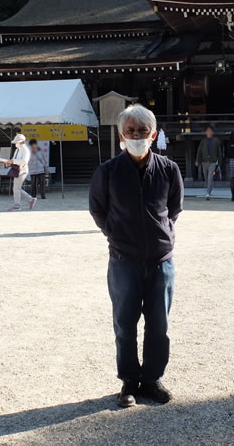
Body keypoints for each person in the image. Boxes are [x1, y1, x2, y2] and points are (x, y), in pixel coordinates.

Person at [88, 104, 183, 409]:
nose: (137, 136)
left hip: (160, 260)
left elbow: (174, 208)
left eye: (143, 131)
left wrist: (160, 234)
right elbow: (98, 210)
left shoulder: (169, 169)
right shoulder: (108, 171)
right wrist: (115, 235)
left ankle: (152, 379)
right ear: (121, 135)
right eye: (131, 131)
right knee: (124, 323)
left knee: (159, 324)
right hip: (123, 260)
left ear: (153, 134)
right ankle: (129, 380)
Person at [5, 134, 36, 211]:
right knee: (17, 188)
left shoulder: (25, 150)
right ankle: (30, 200)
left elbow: (24, 161)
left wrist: (12, 161)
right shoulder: (17, 149)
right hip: (18, 169)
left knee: (16, 188)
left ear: (20, 142)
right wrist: (9, 162)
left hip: (22, 170)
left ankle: (17, 205)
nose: (16, 144)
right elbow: (14, 159)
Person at [195, 125, 222, 201]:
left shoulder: (216, 141)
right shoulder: (203, 141)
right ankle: (209, 187)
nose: (209, 132)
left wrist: (219, 162)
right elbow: (199, 151)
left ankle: (208, 192)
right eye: (208, 131)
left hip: (213, 161)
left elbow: (219, 152)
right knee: (206, 176)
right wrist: (197, 160)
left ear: (212, 132)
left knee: (210, 176)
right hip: (204, 161)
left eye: (210, 131)